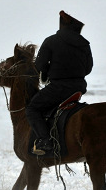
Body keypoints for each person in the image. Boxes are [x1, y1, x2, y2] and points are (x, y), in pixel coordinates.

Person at [26, 10, 93, 156]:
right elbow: (88, 68)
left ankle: (45, 141)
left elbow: (39, 66)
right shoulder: (85, 44)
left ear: (62, 24)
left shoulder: (51, 41)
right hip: (78, 90)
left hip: (58, 89)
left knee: (32, 109)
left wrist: (48, 73)